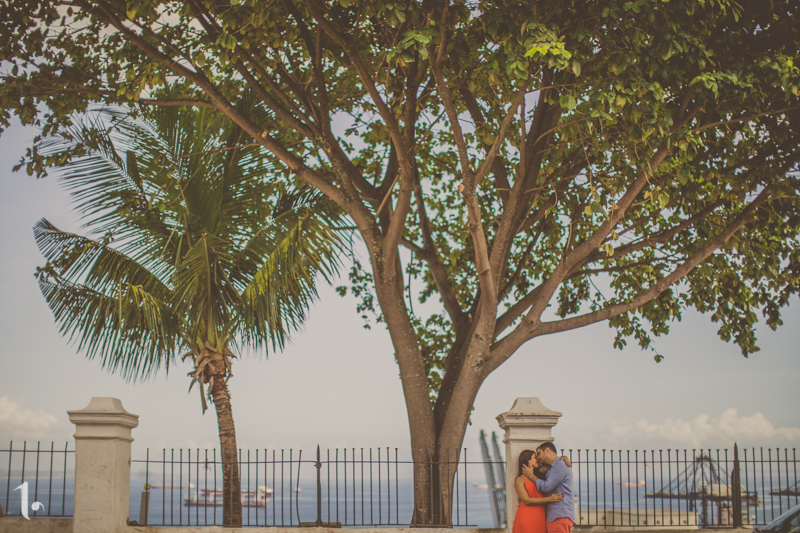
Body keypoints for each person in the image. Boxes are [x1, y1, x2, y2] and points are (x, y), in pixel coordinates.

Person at [522, 442, 575, 533]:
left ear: (547, 450)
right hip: (555, 517)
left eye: (539, 453)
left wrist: (531, 475)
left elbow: (546, 487)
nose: (538, 457)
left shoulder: (560, 465)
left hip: (559, 516)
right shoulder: (552, 468)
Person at [512, 449, 564, 533]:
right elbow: (527, 500)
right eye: (534, 458)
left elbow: (555, 465)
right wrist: (549, 499)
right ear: (527, 460)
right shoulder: (519, 480)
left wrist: (564, 458)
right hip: (526, 516)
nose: (537, 460)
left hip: (540, 516)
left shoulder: (539, 474)